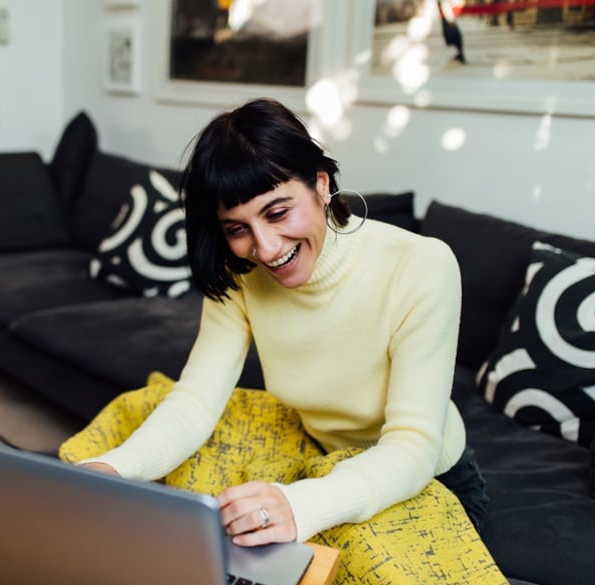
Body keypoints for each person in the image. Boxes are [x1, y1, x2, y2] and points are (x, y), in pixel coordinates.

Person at [82, 97, 487, 548]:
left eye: (278, 213)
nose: (267, 248)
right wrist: (114, 470)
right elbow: (196, 399)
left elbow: (412, 447)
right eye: (237, 229)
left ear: (320, 184)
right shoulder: (242, 275)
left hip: (428, 480)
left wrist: (298, 505)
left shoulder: (421, 265)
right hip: (324, 463)